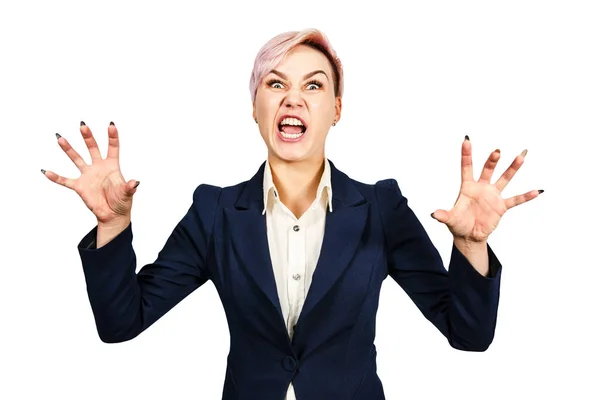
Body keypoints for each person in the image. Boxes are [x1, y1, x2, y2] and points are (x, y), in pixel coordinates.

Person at [42, 28, 542, 400]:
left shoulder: (381, 209)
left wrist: (472, 245)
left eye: (314, 85)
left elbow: (469, 335)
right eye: (275, 84)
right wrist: (113, 226)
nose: (294, 98)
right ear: (255, 107)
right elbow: (121, 324)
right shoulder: (214, 212)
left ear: (337, 110)